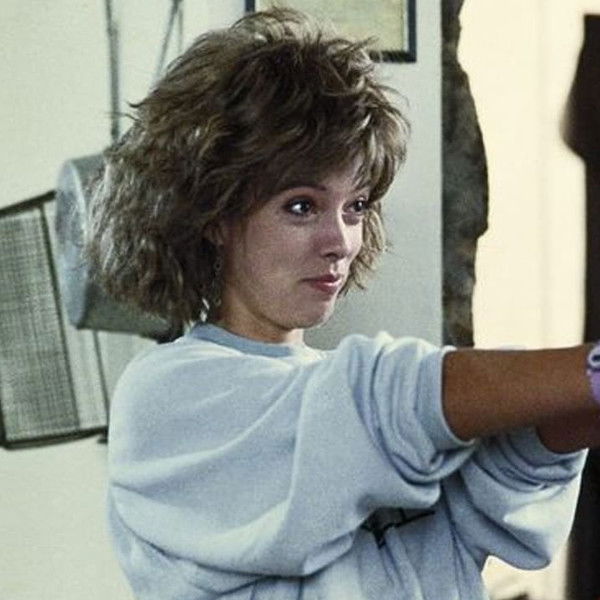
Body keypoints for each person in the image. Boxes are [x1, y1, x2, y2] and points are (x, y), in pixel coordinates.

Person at [87, 8, 600, 600]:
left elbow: (494, 495)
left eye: (355, 207)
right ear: (214, 217)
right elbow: (377, 404)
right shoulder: (167, 397)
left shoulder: (346, 404)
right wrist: (589, 371)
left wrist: (567, 416)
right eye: (301, 206)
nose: (340, 241)